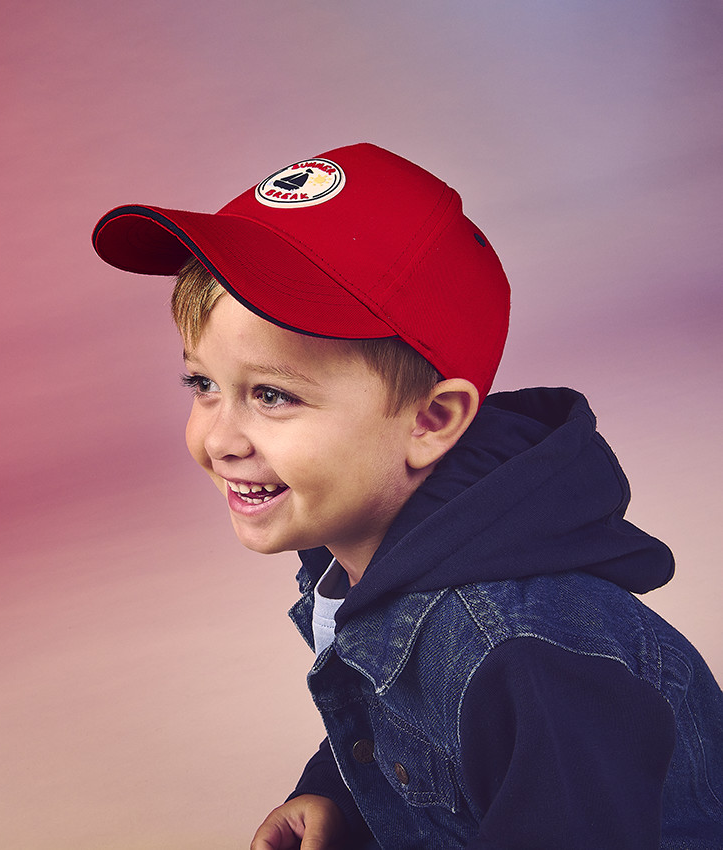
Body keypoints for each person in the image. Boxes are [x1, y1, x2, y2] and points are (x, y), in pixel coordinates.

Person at [92, 143, 723, 849]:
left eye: (271, 395)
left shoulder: (525, 659)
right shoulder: (382, 557)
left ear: (432, 421)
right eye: (202, 385)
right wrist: (335, 794)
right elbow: (421, 727)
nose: (220, 438)